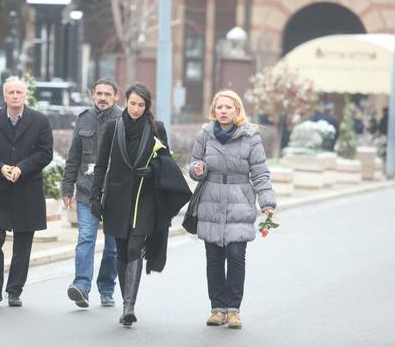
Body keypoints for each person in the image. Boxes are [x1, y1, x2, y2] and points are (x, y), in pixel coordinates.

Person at [90, 82, 184, 327]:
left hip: (144, 198)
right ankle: (126, 302)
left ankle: (129, 306)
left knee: (134, 248)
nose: (136, 108)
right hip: (117, 199)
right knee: (121, 250)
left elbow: (167, 162)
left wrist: (151, 170)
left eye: (141, 105)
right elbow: (101, 165)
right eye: (132, 103)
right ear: (126, 102)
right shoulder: (113, 127)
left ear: (147, 106)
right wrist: (94, 197)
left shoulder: (156, 128)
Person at [189, 90, 276, 329]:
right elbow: (194, 162)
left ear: (237, 110)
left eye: (229, 107)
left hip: (240, 200)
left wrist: (267, 202)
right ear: (214, 110)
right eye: (220, 107)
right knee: (214, 258)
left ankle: (233, 309)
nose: (224, 111)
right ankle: (217, 308)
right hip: (211, 201)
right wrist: (197, 169)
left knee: (236, 256)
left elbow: (260, 172)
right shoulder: (205, 134)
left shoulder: (251, 136)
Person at [0, 76, 53, 307]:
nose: (15, 96)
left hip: (27, 190)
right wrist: (1, 168)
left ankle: (14, 291)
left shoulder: (39, 121)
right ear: (4, 96)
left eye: (19, 92)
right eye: (11, 92)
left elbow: (45, 153)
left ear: (25, 95)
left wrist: (22, 168)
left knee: (23, 244)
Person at [61, 78, 122, 308]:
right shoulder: (83, 118)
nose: (103, 98)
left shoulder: (123, 119)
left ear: (116, 96)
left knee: (113, 245)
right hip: (87, 192)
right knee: (85, 238)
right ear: (92, 95)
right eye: (99, 93)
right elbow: (73, 156)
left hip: (115, 194)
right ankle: (81, 286)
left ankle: (106, 288)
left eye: (108, 94)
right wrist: (67, 187)